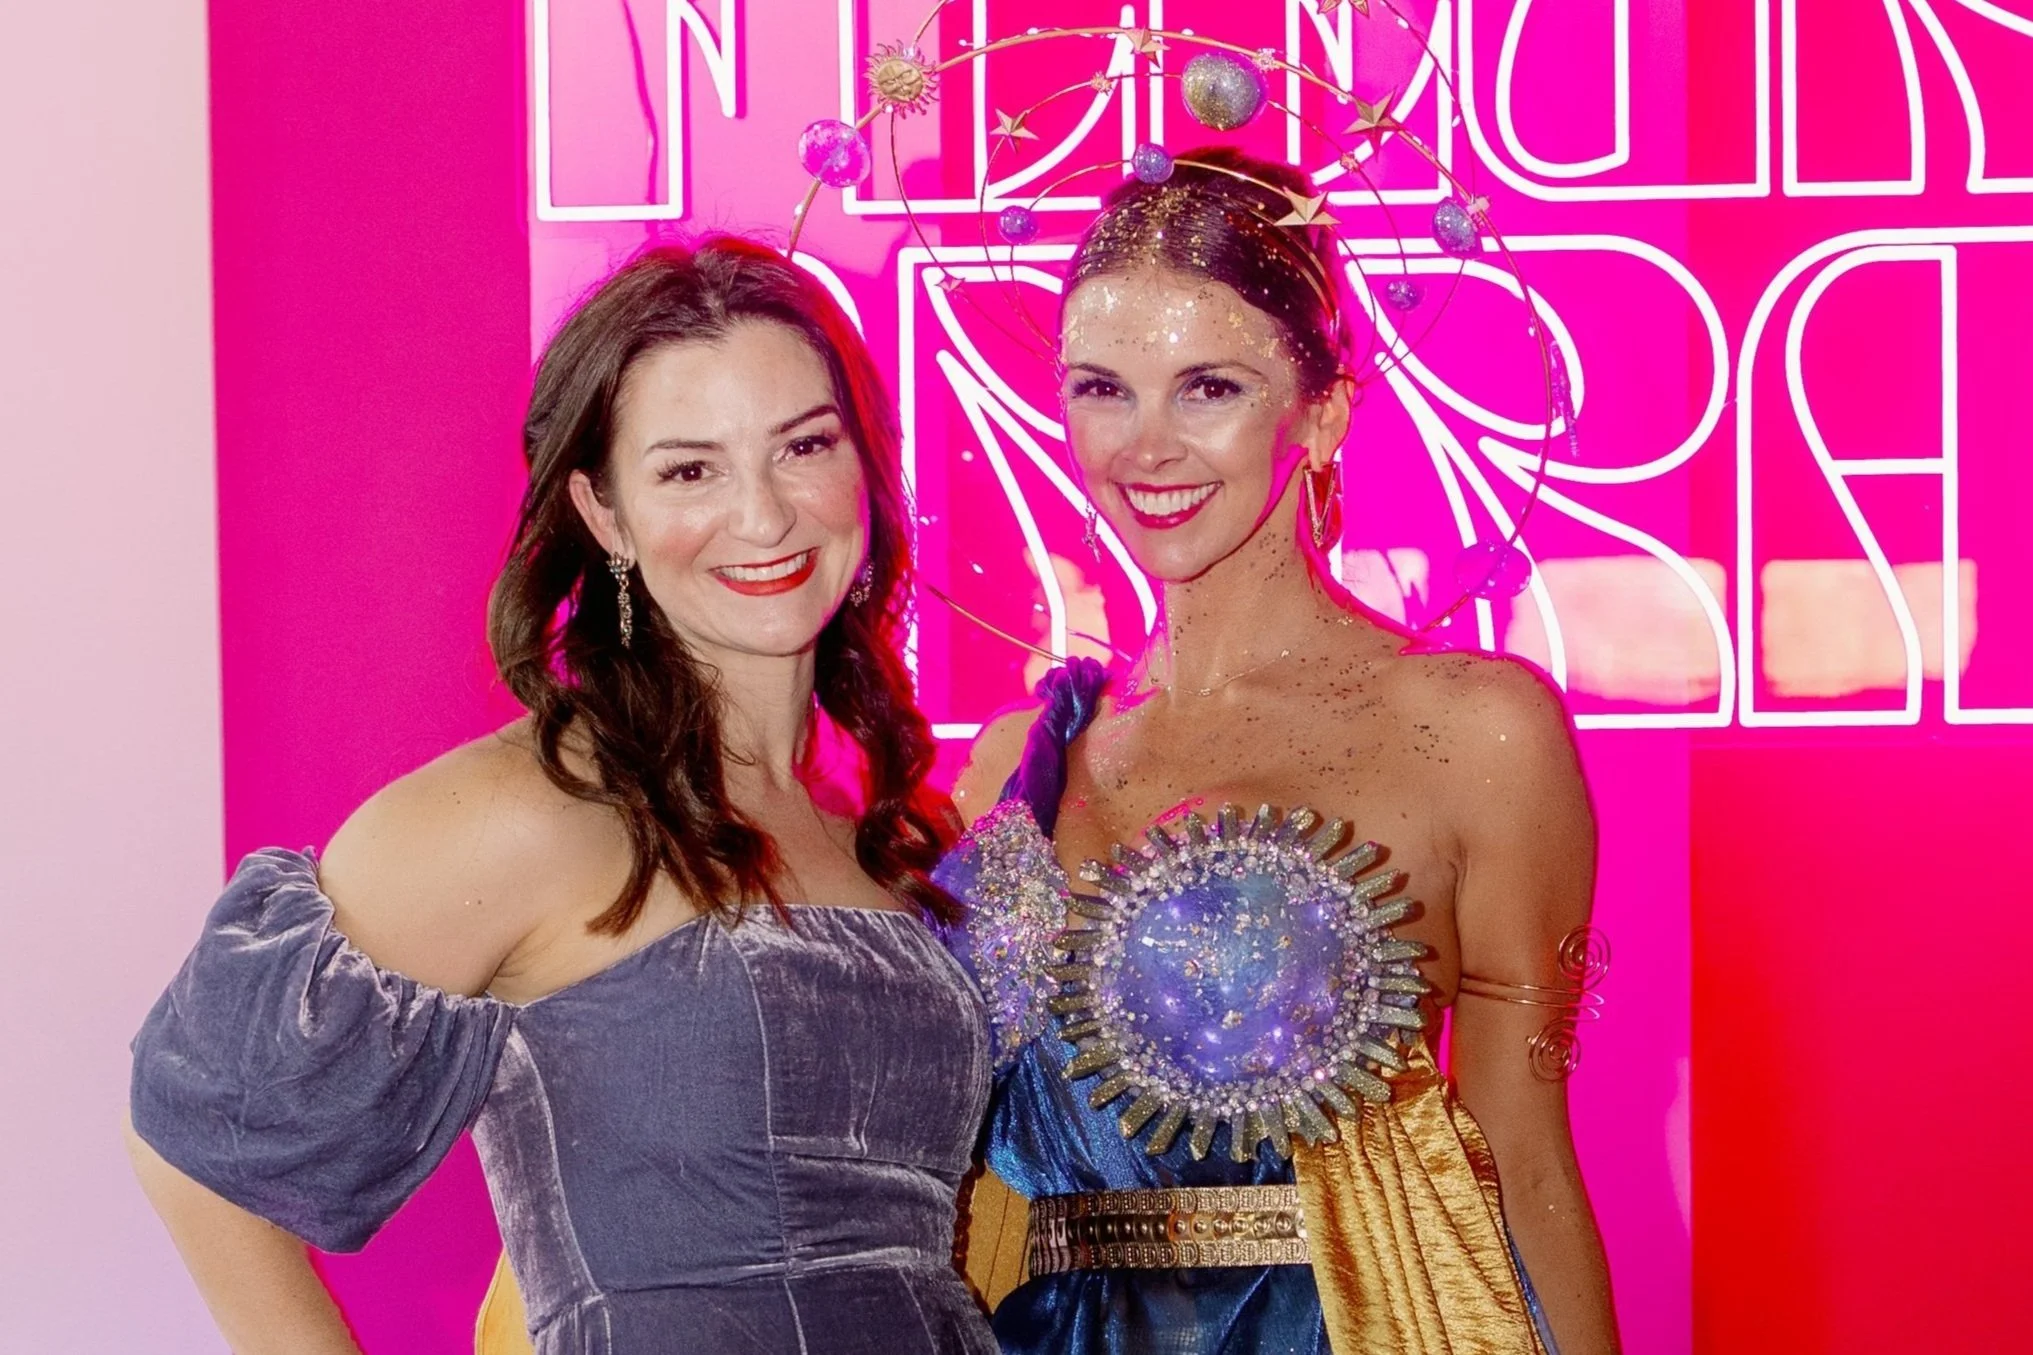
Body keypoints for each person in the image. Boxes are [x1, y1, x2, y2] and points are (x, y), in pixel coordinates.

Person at [127, 238, 997, 1355]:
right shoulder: (532, 807)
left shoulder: (875, 832)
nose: (766, 515)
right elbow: (197, 1156)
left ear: (862, 462)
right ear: (604, 513)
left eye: (803, 446)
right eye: (690, 469)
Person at [938, 150, 1620, 1354]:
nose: (1145, 447)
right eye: (1102, 387)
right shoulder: (1005, 764)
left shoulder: (1475, 729)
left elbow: (1522, 1158)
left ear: (1322, 412)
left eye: (1207, 387)